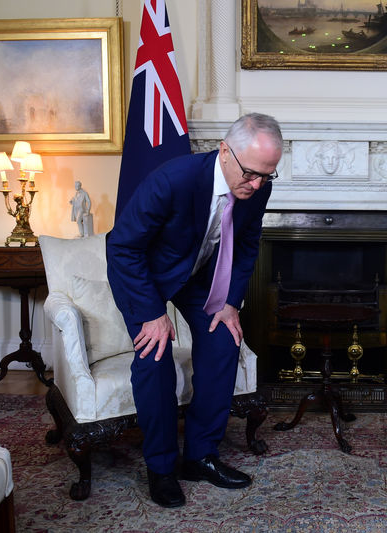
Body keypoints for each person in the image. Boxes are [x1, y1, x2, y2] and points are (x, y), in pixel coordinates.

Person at [106, 113, 282, 508]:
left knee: (223, 341)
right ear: (224, 150)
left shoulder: (257, 186)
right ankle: (162, 467)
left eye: (267, 177)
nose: (256, 185)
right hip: (145, 276)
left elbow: (247, 243)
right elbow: (122, 246)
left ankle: (200, 456)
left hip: (201, 273)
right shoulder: (173, 179)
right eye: (251, 173)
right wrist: (152, 312)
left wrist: (231, 302)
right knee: (154, 358)